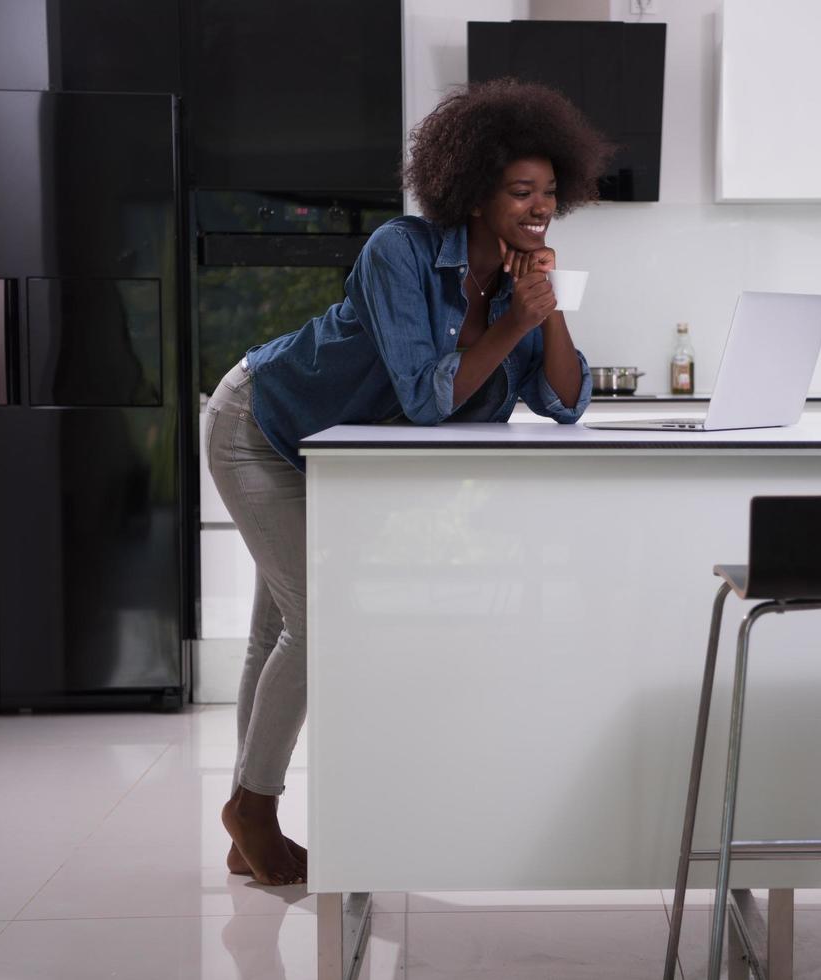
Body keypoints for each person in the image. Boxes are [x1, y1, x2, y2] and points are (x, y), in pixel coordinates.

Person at [205, 78, 612, 885]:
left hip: (330, 450)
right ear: (471, 188)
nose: (537, 207)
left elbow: (564, 401)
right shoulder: (401, 250)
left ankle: (245, 819)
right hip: (263, 424)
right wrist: (515, 322)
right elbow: (427, 398)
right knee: (315, 623)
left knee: (277, 631)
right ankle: (254, 807)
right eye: (519, 190)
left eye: (548, 193)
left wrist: (550, 309)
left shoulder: (520, 281)